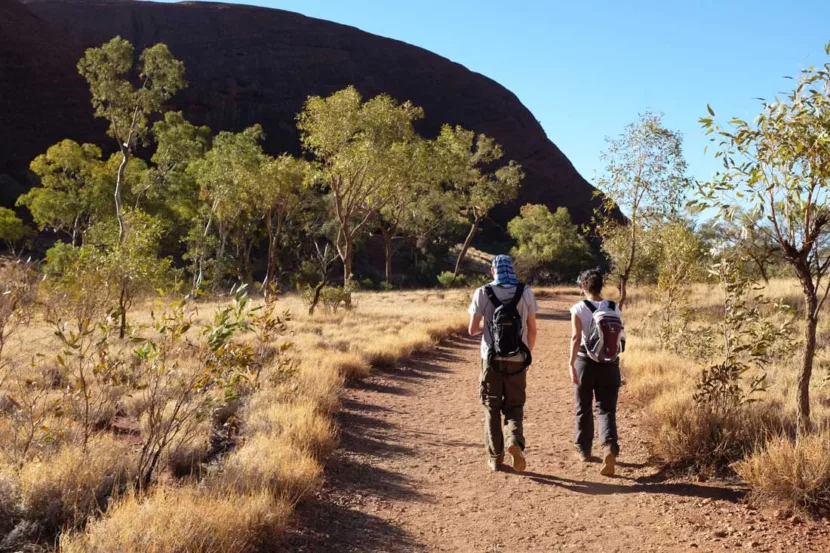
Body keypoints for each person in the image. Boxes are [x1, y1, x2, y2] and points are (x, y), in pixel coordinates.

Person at [468, 255, 538, 473]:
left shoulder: (482, 292)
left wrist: (488, 326)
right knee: (514, 406)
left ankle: (495, 457)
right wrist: (526, 356)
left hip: (491, 360)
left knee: (491, 407)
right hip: (518, 359)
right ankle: (514, 441)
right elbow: (532, 328)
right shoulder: (525, 292)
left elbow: (472, 329)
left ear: (493, 271)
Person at [568, 268, 624, 477]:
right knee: (606, 409)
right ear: (600, 286)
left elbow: (575, 338)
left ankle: (584, 450)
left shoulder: (578, 308)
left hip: (585, 362)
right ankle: (609, 447)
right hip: (610, 363)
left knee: (583, 406)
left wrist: (570, 362)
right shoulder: (613, 306)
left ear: (583, 287)